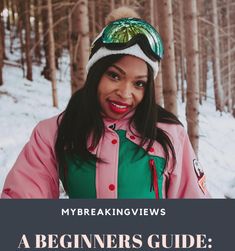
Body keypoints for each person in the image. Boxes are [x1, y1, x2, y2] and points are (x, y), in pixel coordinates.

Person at [1, 8, 210, 199]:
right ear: (96, 73)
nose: (125, 93)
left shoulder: (169, 134)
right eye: (114, 76)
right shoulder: (54, 133)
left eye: (139, 83)